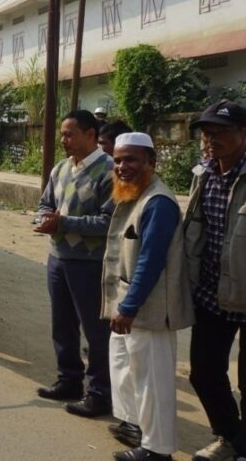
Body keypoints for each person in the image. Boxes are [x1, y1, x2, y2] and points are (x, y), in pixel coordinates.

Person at [104, 132, 194, 461]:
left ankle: (158, 450)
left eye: (130, 159)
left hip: (150, 309)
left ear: (151, 162)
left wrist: (128, 307)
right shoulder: (134, 193)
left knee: (152, 382)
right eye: (117, 160)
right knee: (125, 368)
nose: (122, 166)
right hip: (129, 303)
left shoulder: (158, 202)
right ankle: (136, 427)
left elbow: (151, 261)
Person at [34, 110, 115, 419]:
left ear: (91, 135)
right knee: (62, 325)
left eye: (69, 134)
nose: (63, 140)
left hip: (90, 263)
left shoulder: (110, 170)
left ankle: (99, 393)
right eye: (62, 134)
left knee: (96, 332)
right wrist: (44, 218)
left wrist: (63, 222)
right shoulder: (61, 168)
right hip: (58, 258)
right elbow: (45, 203)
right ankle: (68, 380)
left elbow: (109, 221)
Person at [184, 100, 246, 461]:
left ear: (243, 133)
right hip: (210, 293)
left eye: (220, 131)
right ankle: (230, 437)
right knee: (204, 373)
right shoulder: (203, 174)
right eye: (207, 133)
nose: (211, 139)